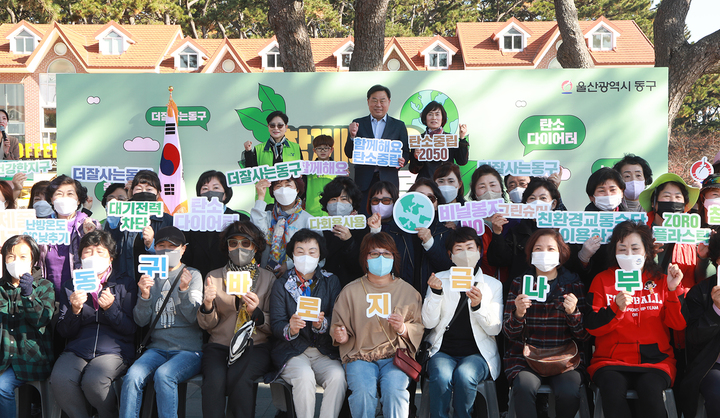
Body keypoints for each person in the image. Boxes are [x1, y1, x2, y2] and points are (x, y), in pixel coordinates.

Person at [584, 221, 686, 418]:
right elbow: (592, 327)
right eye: (622, 249)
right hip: (610, 361)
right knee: (612, 393)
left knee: (651, 393)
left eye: (634, 248)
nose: (628, 254)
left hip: (656, 361)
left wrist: (673, 291)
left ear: (647, 251)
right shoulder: (602, 280)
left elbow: (679, 324)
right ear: (613, 252)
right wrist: (616, 309)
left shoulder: (662, 280)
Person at [331, 232, 423, 418]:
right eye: (374, 254)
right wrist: (340, 335)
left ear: (394, 257)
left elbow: (419, 327)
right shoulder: (351, 291)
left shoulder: (408, 291)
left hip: (395, 356)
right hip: (360, 355)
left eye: (386, 253)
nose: (381, 258)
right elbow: (338, 325)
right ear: (365, 258)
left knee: (395, 391)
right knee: (363, 393)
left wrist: (403, 328)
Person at [503, 229, 589, 418]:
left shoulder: (573, 284)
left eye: (551, 249)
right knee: (523, 387)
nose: (545, 253)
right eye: (539, 248)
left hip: (565, 357)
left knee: (569, 392)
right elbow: (509, 333)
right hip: (525, 357)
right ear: (531, 253)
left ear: (561, 253)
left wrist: (573, 312)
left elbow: (584, 335)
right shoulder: (520, 284)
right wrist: (518, 313)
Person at [51, 230, 137, 418]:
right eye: (87, 252)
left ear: (111, 258)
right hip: (78, 348)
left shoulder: (125, 284)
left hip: (114, 349)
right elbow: (64, 330)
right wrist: (75, 310)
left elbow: (130, 328)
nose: (93, 256)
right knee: (60, 379)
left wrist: (111, 308)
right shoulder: (70, 285)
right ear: (80, 257)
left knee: (95, 381)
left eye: (100, 252)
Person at [119, 227, 203, 418]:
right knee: (132, 376)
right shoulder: (150, 275)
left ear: (183, 249)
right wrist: (145, 296)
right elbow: (140, 321)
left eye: (172, 247)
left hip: (188, 350)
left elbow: (193, 318)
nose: (166, 250)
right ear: (154, 248)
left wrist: (183, 290)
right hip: (156, 348)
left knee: (164, 375)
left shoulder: (193, 275)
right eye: (161, 246)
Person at [422, 227, 503, 418]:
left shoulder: (492, 285)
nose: (465, 253)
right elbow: (428, 322)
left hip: (478, 354)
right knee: (441, 376)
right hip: (443, 351)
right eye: (459, 249)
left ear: (479, 251)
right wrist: (435, 294)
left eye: (470, 247)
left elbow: (495, 328)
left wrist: (478, 306)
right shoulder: (439, 279)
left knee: (465, 375)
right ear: (450, 255)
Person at [197, 220, 275, 418]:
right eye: (233, 243)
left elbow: (274, 324)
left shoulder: (267, 278)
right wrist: (207, 305)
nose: (239, 248)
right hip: (220, 345)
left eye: (245, 243)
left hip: (254, 346)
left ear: (256, 247)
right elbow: (207, 325)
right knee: (213, 382)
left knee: (241, 381)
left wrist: (255, 311)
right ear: (227, 247)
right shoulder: (214, 277)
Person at [269, 229, 346, 418]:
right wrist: (291, 328)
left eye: (312, 252)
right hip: (292, 350)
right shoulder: (282, 284)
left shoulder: (331, 281)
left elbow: (337, 318)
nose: (306, 256)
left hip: (322, 350)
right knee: (304, 377)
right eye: (300, 251)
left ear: (320, 255)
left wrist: (323, 324)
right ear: (292, 255)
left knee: (338, 377)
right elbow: (276, 324)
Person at [0, 235, 55, 418]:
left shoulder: (44, 286)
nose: (16, 261)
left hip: (30, 359)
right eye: (10, 257)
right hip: (3, 357)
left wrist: (28, 294)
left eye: (23, 256)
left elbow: (41, 319)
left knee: (2, 387)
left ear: (33, 259)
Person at [344, 85, 409, 212]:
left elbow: (406, 152)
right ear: (368, 102)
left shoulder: (398, 125)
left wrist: (403, 161)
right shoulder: (358, 123)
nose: (378, 104)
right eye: (374, 100)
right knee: (363, 215)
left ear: (389, 102)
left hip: (388, 179)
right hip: (364, 181)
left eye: (382, 100)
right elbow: (349, 153)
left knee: (389, 216)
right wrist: (352, 136)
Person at [638, 172, 705, 288]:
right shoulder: (639, 233)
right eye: (666, 196)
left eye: (678, 197)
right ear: (654, 203)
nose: (672, 201)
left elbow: (702, 278)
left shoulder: (693, 234)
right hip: (650, 298)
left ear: (685, 204)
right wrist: (648, 255)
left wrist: (703, 258)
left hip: (683, 300)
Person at [679, 232, 720, 418]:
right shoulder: (700, 293)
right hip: (710, 366)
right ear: (718, 260)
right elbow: (693, 336)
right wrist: (716, 311)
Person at [107, 170, 174, 281]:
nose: (144, 192)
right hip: (126, 283)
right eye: (138, 189)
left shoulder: (167, 220)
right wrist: (113, 223)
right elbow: (111, 246)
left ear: (158, 194)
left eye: (149, 189)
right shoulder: (122, 217)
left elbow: (173, 255)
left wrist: (151, 244)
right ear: (132, 192)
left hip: (155, 282)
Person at [182, 171, 249, 278]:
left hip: (231, 280)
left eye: (216, 188)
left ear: (225, 194)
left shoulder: (241, 220)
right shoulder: (190, 220)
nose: (210, 192)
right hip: (197, 280)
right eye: (205, 189)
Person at [43, 175, 100, 294]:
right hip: (47, 292)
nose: (64, 198)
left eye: (70, 194)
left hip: (80, 291)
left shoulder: (90, 224)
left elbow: (98, 254)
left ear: (78, 200)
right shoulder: (41, 226)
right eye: (59, 194)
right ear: (51, 199)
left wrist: (89, 234)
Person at [251, 177, 311, 276]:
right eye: (278, 186)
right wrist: (261, 197)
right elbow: (255, 230)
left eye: (288, 185)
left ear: (297, 189)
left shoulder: (308, 219)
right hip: (268, 274)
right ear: (273, 191)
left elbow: (316, 251)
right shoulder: (268, 216)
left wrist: (288, 265)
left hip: (298, 276)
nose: (283, 190)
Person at [243, 111, 303, 205]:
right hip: (266, 199)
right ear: (268, 127)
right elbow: (250, 173)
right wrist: (248, 152)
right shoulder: (258, 149)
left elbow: (302, 175)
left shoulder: (295, 147)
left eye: (280, 126)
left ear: (286, 127)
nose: (276, 128)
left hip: (289, 198)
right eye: (272, 125)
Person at [317, 176, 366, 286]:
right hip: (325, 287)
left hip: (352, 287)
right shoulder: (319, 227)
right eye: (333, 199)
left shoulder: (362, 228)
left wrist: (349, 241)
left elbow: (360, 266)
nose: (338, 203)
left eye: (344, 199)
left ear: (352, 204)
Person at [408, 101, 468, 179]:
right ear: (425, 118)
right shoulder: (418, 140)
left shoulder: (450, 139)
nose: (434, 118)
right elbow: (413, 170)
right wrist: (416, 158)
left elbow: (462, 161)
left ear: (442, 118)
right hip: (426, 185)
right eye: (430, 114)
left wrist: (462, 138)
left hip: (445, 183)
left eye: (437, 114)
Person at [305, 134, 339, 217]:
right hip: (312, 211)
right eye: (319, 148)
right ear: (314, 150)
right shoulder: (308, 168)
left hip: (333, 212)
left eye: (326, 148)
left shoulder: (338, 168)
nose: (323, 151)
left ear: (331, 149)